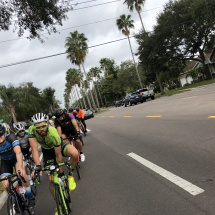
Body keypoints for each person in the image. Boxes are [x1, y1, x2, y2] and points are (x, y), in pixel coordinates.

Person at [28, 113, 79, 215]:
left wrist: (60, 172)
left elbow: (58, 154)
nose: (41, 129)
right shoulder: (31, 130)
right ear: (34, 126)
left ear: (47, 123)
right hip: (46, 152)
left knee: (75, 153)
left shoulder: (52, 132)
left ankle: (70, 176)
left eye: (43, 126)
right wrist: (38, 165)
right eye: (38, 127)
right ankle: (58, 204)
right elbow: (34, 149)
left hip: (58, 148)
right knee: (51, 179)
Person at [0, 124, 35, 212]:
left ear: (4, 133)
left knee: (20, 173)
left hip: (16, 158)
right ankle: (16, 200)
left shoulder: (11, 137)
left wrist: (21, 168)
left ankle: (30, 196)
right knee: (6, 184)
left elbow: (18, 153)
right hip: (5, 162)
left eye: (0, 134)